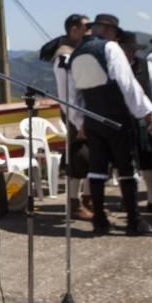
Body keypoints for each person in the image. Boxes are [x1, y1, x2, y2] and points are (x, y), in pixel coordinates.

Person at [68, 14, 152, 236]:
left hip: (92, 118)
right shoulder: (110, 48)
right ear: (110, 32)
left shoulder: (76, 54)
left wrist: (79, 122)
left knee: (97, 170)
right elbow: (127, 83)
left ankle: (99, 220)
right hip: (117, 116)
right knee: (126, 168)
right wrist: (146, 111)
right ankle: (133, 221)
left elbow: (72, 97)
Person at [44, 14, 94, 220]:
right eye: (86, 26)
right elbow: (67, 96)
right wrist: (80, 122)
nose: (89, 30)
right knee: (79, 158)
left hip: (86, 113)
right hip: (76, 115)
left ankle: (89, 199)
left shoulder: (77, 52)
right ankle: (74, 203)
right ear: (74, 30)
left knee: (92, 158)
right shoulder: (64, 56)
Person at [120, 30, 152, 215]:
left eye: (132, 49)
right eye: (126, 49)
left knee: (149, 157)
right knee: (124, 160)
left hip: (144, 116)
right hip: (122, 117)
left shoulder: (146, 66)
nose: (130, 53)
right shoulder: (113, 67)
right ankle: (127, 200)